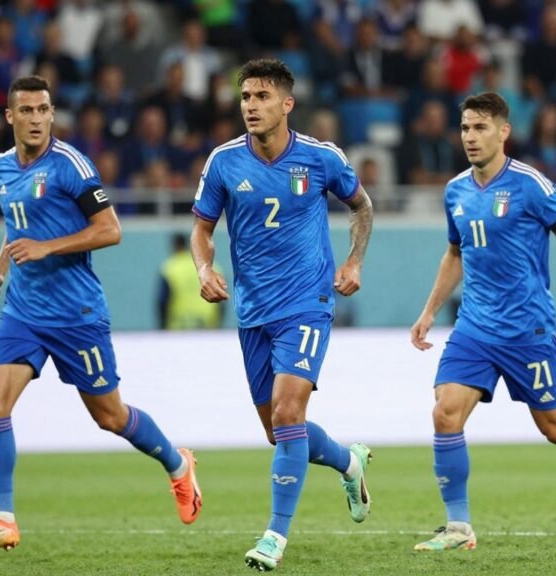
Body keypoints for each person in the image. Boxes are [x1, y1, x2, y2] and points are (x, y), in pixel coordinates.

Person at [0, 76, 202, 554]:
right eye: (25, 111)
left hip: (76, 313)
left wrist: (48, 248)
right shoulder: (2, 167)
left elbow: (110, 231)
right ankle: (2, 519)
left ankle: (178, 464)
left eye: (43, 110)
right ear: (10, 117)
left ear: (52, 114)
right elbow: (17, 229)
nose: (35, 119)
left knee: (110, 417)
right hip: (24, 311)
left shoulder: (71, 165)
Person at [410, 92, 556, 552]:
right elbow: (456, 253)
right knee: (445, 412)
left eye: (480, 128)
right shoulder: (456, 190)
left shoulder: (530, 185)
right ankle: (459, 526)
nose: (470, 137)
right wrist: (430, 311)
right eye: (465, 128)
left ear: (503, 132)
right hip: (475, 327)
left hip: (527, 329)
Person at [190, 58, 375, 572]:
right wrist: (205, 268)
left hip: (307, 303)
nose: (251, 105)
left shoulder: (320, 158)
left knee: (290, 413)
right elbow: (202, 229)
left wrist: (354, 259)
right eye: (246, 96)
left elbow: (362, 206)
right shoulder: (224, 162)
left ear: (287, 104)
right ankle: (348, 461)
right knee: (279, 431)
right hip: (252, 311)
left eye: (262, 97)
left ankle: (274, 535)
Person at [158, 233, 222, 329]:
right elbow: (221, 300)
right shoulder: (212, 267)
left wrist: (163, 327)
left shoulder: (170, 268)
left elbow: (162, 301)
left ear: (175, 246)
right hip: (207, 326)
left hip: (179, 327)